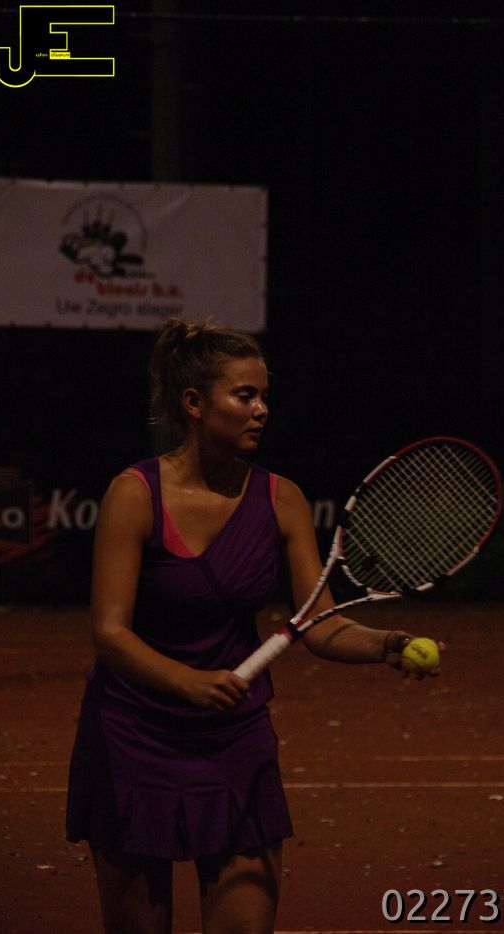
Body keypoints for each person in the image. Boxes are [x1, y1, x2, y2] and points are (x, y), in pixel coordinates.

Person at [66, 317, 437, 934]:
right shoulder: (134, 494)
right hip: (134, 737)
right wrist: (188, 682)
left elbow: (317, 623)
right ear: (194, 403)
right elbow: (110, 632)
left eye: (265, 395)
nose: (262, 409)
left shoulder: (281, 498)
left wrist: (384, 645)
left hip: (233, 742)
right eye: (245, 395)